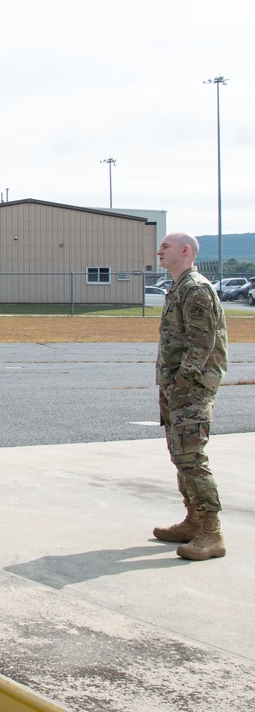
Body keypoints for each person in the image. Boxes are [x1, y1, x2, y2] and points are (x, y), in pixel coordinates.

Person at [153, 232, 228, 560]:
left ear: (185, 251)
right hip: (175, 388)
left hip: (190, 389)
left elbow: (201, 343)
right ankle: (194, 520)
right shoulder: (178, 288)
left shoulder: (195, 289)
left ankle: (211, 532)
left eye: (165, 246)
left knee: (192, 457)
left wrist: (181, 382)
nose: (159, 250)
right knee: (180, 454)